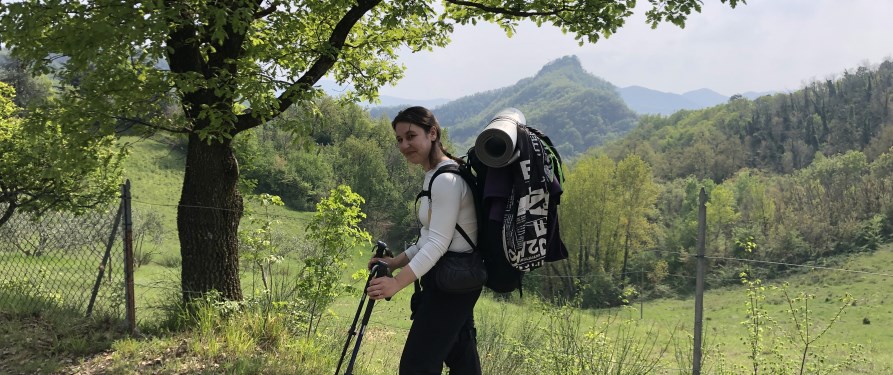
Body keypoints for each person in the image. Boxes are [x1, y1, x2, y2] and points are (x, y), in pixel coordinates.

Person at [366, 106, 482, 374]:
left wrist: (396, 283)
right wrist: (395, 262)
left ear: (432, 133)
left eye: (410, 136)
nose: (404, 145)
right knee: (462, 360)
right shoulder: (435, 175)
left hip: (451, 285)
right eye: (399, 140)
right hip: (455, 280)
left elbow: (438, 244)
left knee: (416, 366)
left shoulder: (446, 180)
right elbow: (428, 236)